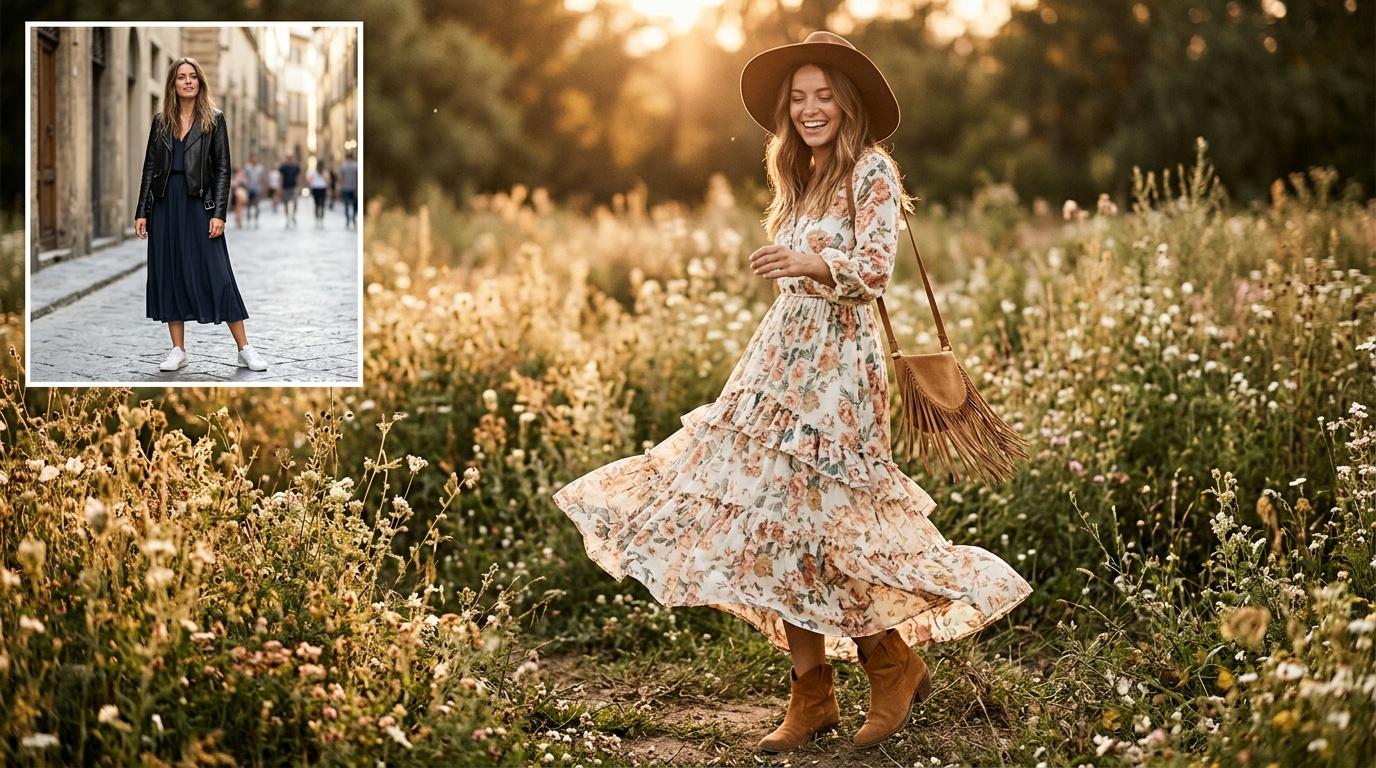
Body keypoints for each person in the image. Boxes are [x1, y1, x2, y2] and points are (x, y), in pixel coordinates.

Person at [550, 31, 1031, 754]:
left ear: (848, 104)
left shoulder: (871, 171)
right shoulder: (799, 173)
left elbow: (871, 275)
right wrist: (792, 261)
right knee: (773, 522)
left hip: (838, 370)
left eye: (823, 97)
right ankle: (813, 694)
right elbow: (802, 273)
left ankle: (889, 662)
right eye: (799, 99)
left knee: (830, 522)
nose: (810, 110)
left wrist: (806, 257)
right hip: (779, 359)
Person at [134, 56, 267, 373]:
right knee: (170, 273)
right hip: (165, 205)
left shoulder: (214, 120)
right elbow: (150, 168)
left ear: (200, 82)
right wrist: (142, 211)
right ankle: (178, 349)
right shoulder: (160, 122)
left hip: (199, 205)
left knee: (218, 274)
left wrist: (219, 212)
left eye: (192, 76)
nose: (188, 81)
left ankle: (244, 348)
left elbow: (223, 170)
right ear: (173, 84)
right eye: (181, 77)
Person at [279, 152, 300, 228]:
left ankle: (293, 215)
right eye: (288, 157)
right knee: (286, 204)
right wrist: (279, 187)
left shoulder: (296, 167)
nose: (289, 158)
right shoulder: (283, 167)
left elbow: (298, 177)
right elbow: (280, 177)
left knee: (295, 203)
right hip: (285, 187)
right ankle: (287, 218)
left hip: (293, 187)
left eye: (290, 157)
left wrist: (298, 187)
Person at [244, 153, 264, 227]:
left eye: (255, 158)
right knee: (248, 206)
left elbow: (261, 178)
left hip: (257, 189)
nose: (254, 160)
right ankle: (248, 220)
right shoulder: (247, 167)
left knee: (257, 206)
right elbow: (245, 177)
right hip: (249, 189)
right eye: (253, 158)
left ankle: (256, 221)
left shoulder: (260, 168)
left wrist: (261, 188)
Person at [339, 150, 358, 229]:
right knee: (354, 205)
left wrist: (340, 186)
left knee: (346, 205)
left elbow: (341, 178)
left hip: (345, 188)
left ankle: (347, 220)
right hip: (354, 188)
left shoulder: (343, 166)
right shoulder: (356, 165)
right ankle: (353, 217)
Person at [308, 161, 329, 228]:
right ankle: (320, 218)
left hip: (317, 188)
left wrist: (312, 184)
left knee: (318, 205)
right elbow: (327, 180)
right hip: (320, 188)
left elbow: (310, 179)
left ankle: (318, 218)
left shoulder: (321, 172)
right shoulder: (317, 172)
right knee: (321, 204)